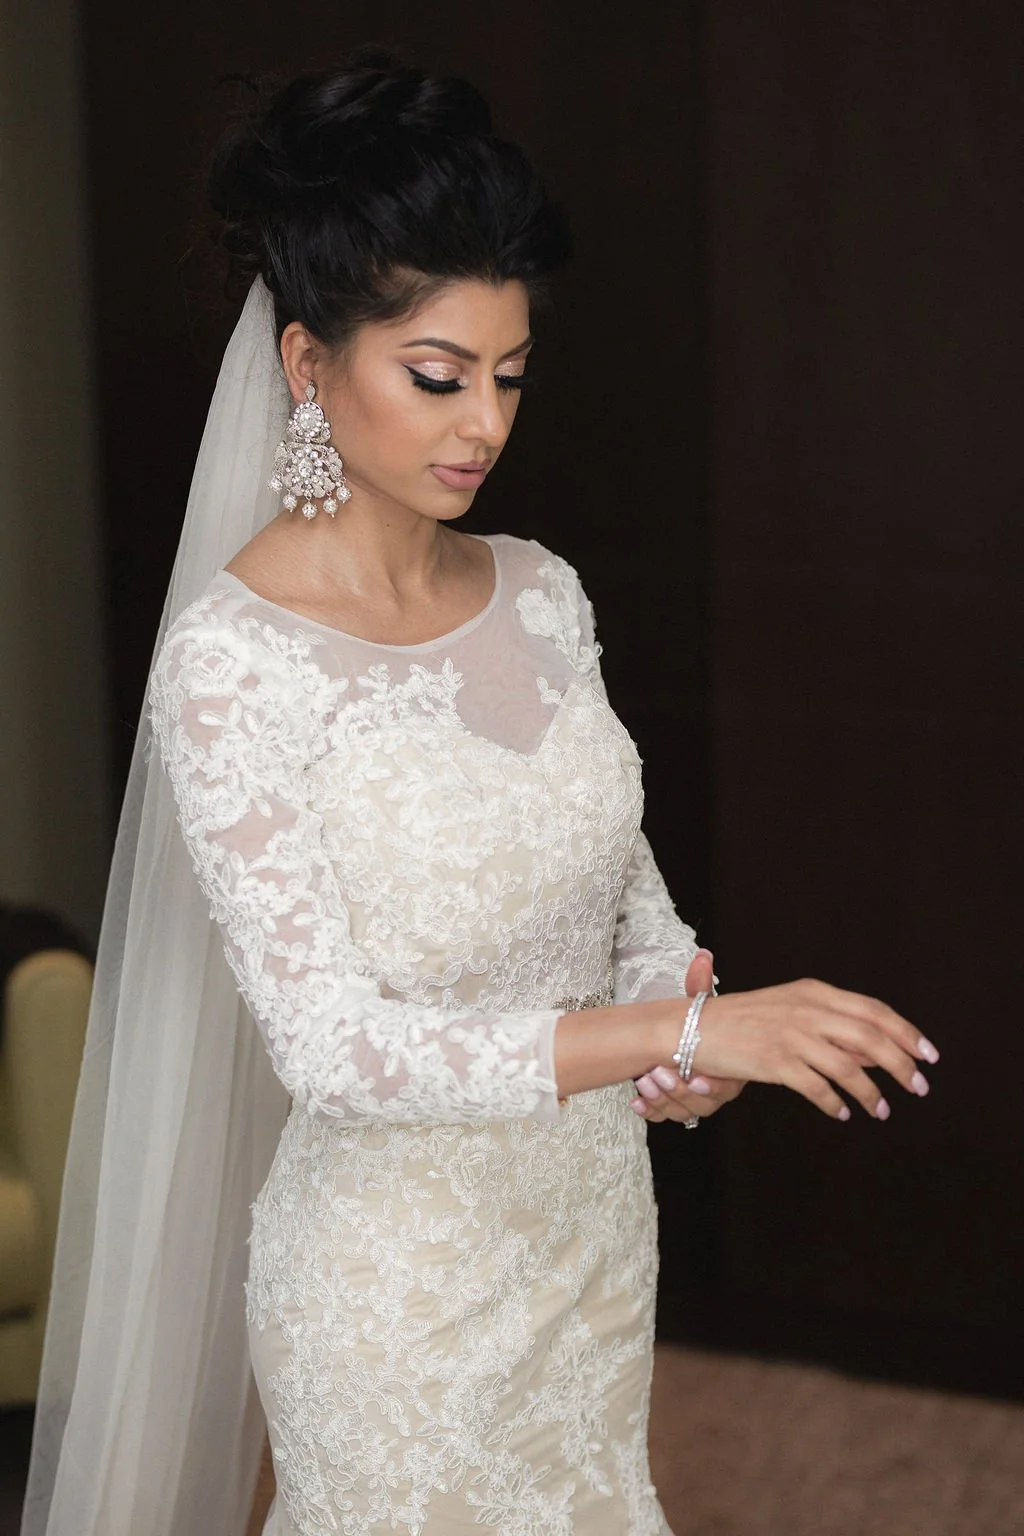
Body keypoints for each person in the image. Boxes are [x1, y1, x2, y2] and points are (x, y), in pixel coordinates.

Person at [22, 49, 940, 1536]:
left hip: (586, 1250)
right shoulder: (234, 664)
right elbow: (335, 1050)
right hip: (394, 1296)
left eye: (510, 377)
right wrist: (676, 1030)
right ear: (309, 367)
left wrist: (679, 1034)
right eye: (438, 378)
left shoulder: (543, 594)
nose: (484, 426)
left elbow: (630, 908)